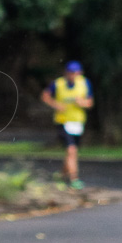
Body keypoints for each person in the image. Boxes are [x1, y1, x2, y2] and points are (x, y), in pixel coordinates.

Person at [41, 61, 93, 190]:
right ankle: (74, 179)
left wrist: (82, 103)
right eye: (70, 72)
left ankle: (62, 175)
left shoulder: (84, 83)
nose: (72, 75)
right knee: (71, 150)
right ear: (66, 72)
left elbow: (90, 103)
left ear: (79, 73)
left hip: (78, 122)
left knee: (71, 152)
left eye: (75, 73)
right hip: (63, 122)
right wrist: (56, 105)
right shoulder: (58, 83)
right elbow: (45, 96)